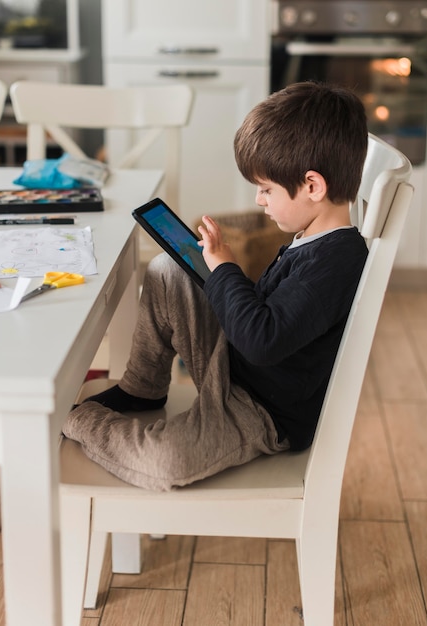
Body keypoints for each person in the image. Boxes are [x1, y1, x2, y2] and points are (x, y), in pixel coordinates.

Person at [62, 81, 369, 491]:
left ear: (313, 186)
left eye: (266, 189)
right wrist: (218, 268)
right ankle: (143, 388)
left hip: (261, 411)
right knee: (169, 272)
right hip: (240, 369)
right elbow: (264, 319)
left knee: (165, 462)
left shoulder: (335, 262)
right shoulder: (312, 233)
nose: (260, 201)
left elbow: (263, 341)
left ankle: (75, 419)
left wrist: (225, 271)